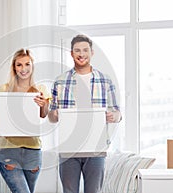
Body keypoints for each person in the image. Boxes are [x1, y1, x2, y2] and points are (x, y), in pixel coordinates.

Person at [48, 34, 121, 193]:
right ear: (72, 53)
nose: (81, 54)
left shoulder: (105, 80)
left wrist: (114, 116)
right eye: (77, 50)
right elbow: (52, 116)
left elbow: (118, 114)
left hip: (96, 147)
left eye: (85, 50)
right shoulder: (60, 81)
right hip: (69, 148)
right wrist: (55, 114)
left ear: (92, 52)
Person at [0, 48, 49, 193]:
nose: (23, 69)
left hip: (33, 152)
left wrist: (44, 104)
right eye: (19, 65)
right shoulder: (5, 89)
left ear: (32, 66)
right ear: (14, 67)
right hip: (9, 151)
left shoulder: (40, 89)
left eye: (27, 64)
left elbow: (43, 115)